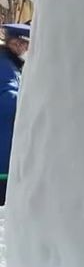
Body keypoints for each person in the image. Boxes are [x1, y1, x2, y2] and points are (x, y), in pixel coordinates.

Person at [0, 23, 30, 205]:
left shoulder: (11, 65)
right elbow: (9, 100)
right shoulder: (5, 67)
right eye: (27, 45)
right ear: (17, 44)